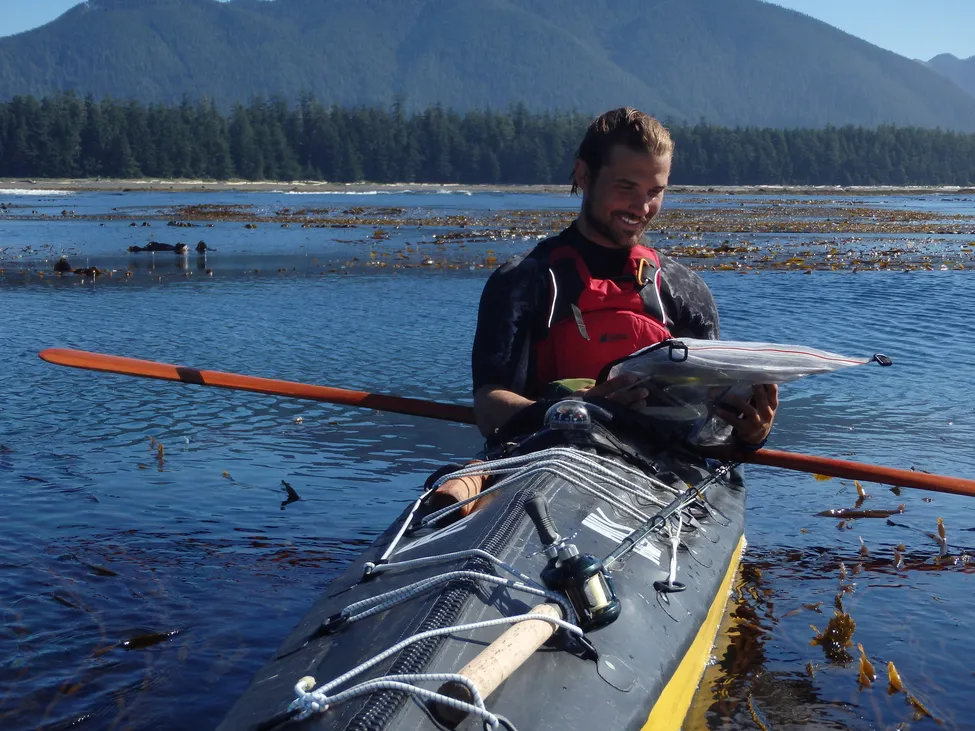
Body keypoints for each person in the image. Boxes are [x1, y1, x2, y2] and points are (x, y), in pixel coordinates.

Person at [432, 108, 777, 512]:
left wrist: (751, 434)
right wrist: (581, 409)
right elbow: (490, 408)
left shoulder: (684, 290)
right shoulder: (524, 281)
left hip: (661, 475)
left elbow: (712, 429)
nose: (641, 206)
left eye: (654, 191)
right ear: (583, 174)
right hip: (550, 458)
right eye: (626, 187)